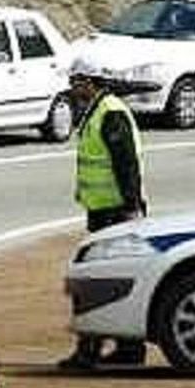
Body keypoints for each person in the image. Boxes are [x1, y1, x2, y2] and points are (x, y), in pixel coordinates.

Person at [59, 59, 149, 371]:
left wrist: (132, 208)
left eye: (76, 82)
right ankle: (129, 347)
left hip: (116, 213)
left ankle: (90, 350)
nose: (72, 88)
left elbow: (126, 165)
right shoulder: (99, 110)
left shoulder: (109, 112)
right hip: (104, 210)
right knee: (115, 276)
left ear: (89, 82)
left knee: (96, 281)